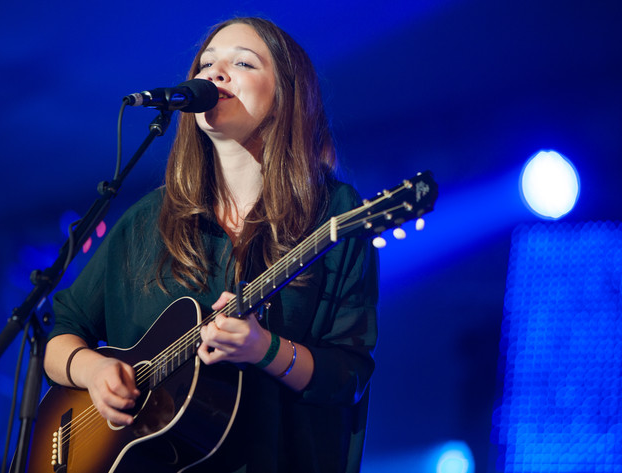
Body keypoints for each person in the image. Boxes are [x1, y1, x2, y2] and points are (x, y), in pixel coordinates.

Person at [43, 17, 379, 473]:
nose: (213, 73)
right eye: (206, 63)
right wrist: (95, 372)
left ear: (285, 97)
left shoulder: (334, 211)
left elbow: (349, 376)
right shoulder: (148, 221)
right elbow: (61, 331)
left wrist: (264, 348)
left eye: (242, 63)